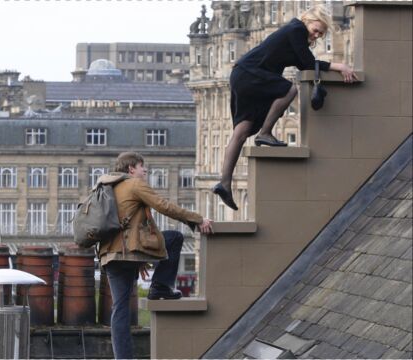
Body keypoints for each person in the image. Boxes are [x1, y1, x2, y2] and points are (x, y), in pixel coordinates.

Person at [213, 5, 359, 211]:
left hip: (243, 74)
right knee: (289, 90)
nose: (316, 34)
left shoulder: (294, 34)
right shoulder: (296, 29)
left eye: (320, 33)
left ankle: (224, 183)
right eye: (316, 29)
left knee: (242, 130)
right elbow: (308, 64)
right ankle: (265, 133)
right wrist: (340, 66)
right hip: (250, 74)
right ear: (307, 20)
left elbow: (302, 63)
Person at [98, 152, 213, 359]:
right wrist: (196, 219)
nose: (145, 171)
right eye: (143, 167)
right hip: (129, 251)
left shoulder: (107, 186)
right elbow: (164, 206)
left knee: (120, 309)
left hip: (110, 255)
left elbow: (124, 225)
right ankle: (161, 286)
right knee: (175, 238)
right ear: (131, 169)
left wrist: (140, 259)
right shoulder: (133, 184)